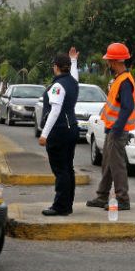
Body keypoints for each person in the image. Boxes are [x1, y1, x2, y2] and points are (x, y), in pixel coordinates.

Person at [86, 42, 135, 211]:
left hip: (118, 130)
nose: (107, 63)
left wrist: (116, 128)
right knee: (107, 164)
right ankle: (102, 196)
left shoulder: (124, 81)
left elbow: (127, 107)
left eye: (109, 60)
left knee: (117, 166)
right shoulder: (119, 79)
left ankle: (123, 199)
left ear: (115, 61)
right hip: (113, 129)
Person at [37, 47, 80, 216]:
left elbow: (55, 111)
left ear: (56, 67)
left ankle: (60, 206)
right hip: (72, 129)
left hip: (59, 131)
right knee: (68, 168)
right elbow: (75, 76)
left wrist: (44, 134)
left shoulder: (57, 86)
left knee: (61, 170)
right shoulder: (72, 82)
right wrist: (74, 60)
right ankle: (67, 205)